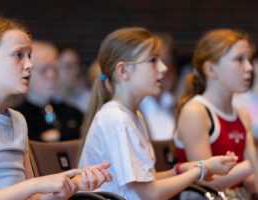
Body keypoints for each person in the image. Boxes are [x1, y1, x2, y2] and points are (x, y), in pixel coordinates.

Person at [0, 15, 112, 200]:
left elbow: (32, 198)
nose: (30, 64)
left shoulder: (17, 120)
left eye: (29, 56)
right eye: (18, 55)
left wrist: (73, 184)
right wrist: (36, 184)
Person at [78, 27, 239, 200]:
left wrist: (180, 170)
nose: (163, 68)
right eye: (153, 60)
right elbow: (150, 194)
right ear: (123, 71)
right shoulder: (116, 119)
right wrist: (202, 169)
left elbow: (147, 183)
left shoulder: (132, 115)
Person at [174, 29, 258, 198]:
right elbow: (207, 181)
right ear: (211, 69)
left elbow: (251, 180)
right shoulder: (196, 111)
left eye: (249, 59)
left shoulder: (242, 116)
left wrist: (252, 173)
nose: (249, 67)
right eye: (239, 60)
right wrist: (252, 165)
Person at [16, 41, 84, 142]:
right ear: (26, 74)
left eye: (55, 69)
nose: (52, 76)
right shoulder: (16, 118)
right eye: (43, 70)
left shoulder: (73, 113)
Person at [53, 46, 91, 114]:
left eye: (78, 65)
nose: (76, 71)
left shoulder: (87, 99)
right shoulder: (46, 100)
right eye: (68, 66)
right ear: (55, 68)